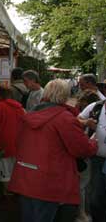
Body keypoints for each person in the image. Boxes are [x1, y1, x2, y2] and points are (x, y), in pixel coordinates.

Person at [8, 79, 98, 222]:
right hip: (49, 182)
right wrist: (94, 142)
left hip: (25, 177)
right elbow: (82, 149)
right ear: (65, 96)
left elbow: (17, 142)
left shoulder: (29, 115)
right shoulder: (64, 118)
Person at [77, 91, 106, 222]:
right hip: (96, 159)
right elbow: (77, 119)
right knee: (95, 195)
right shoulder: (96, 106)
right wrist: (86, 123)